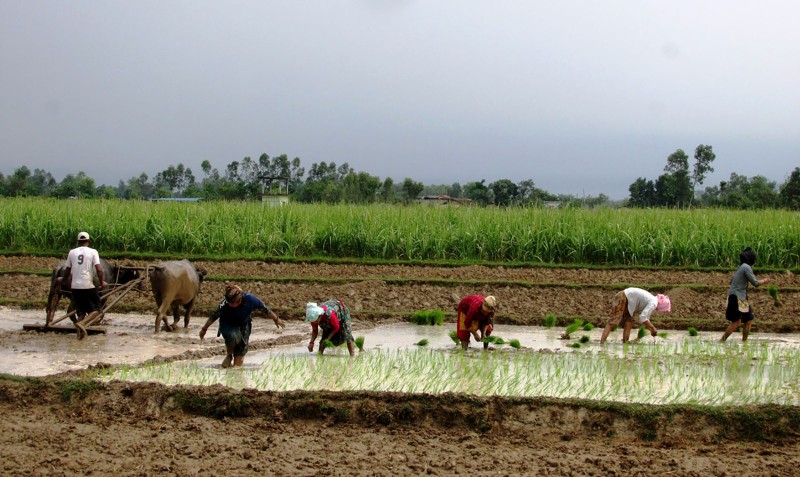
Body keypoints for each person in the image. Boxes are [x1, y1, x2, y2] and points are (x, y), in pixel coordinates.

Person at [199, 284, 285, 368]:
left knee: (239, 360)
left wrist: (276, 319)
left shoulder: (250, 300)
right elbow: (214, 316)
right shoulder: (224, 304)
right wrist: (204, 329)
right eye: (228, 302)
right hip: (227, 323)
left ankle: (234, 374)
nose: (230, 304)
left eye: (232, 303)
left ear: (239, 300)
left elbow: (265, 309)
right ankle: (229, 355)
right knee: (232, 336)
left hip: (244, 324)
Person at [721, 247, 770, 342]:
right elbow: (755, 283)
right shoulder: (746, 267)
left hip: (741, 298)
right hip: (736, 297)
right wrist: (765, 280)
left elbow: (732, 281)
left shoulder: (740, 267)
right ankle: (722, 341)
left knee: (748, 319)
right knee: (737, 321)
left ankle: (744, 342)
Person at [64, 231, 105, 340]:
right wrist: (102, 282)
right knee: (98, 311)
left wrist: (62, 279)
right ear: (88, 241)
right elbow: (99, 269)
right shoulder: (93, 252)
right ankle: (82, 324)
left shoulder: (72, 252)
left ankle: (79, 338)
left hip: (75, 287)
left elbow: (67, 270)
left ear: (78, 242)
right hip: (88, 285)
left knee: (80, 313)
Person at [600, 288, 671, 344]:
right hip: (623, 296)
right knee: (613, 321)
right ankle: (602, 343)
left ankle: (625, 342)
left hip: (628, 300)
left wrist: (649, 330)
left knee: (629, 321)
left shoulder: (652, 300)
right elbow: (643, 317)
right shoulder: (653, 303)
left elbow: (645, 318)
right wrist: (652, 329)